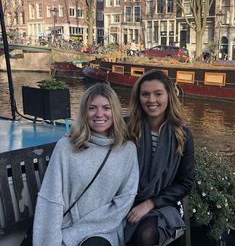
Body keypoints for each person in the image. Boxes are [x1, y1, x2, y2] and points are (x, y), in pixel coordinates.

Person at [33, 83, 139, 246]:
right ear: (84, 112)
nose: (99, 114)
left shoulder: (127, 150)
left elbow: (124, 201)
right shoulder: (66, 146)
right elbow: (51, 197)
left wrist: (72, 236)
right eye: (92, 108)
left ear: (115, 112)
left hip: (103, 229)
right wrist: (53, 240)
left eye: (106, 108)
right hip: (64, 226)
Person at [125, 70, 195, 246]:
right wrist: (77, 135)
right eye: (145, 94)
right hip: (124, 199)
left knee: (145, 235)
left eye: (158, 94)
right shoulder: (126, 127)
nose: (151, 100)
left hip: (162, 204)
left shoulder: (183, 136)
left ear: (169, 96)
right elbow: (97, 132)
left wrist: (150, 203)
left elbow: (185, 183)